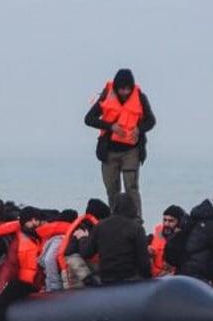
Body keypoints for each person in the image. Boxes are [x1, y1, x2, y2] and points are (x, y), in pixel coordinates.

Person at [84, 68, 156, 220]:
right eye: (121, 88)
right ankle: (115, 220)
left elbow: (151, 121)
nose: (124, 92)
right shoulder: (106, 96)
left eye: (128, 89)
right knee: (112, 189)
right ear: (116, 87)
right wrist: (110, 126)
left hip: (132, 151)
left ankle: (137, 221)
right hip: (109, 151)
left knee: (131, 187)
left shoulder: (141, 98)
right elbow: (89, 119)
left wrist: (139, 129)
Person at [0, 206, 44, 321]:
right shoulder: (18, 241)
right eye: (33, 220)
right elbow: (10, 267)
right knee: (13, 286)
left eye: (37, 220)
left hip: (39, 283)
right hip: (28, 283)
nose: (36, 223)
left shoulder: (40, 238)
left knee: (13, 287)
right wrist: (0, 289)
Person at [77, 193, 151, 285]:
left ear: (114, 207)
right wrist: (149, 280)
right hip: (130, 279)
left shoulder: (101, 226)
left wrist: (82, 238)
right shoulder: (136, 229)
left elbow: (86, 252)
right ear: (133, 209)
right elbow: (144, 263)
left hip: (106, 278)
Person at [58, 199, 111, 288]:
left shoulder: (91, 230)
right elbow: (70, 256)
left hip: (85, 277)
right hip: (76, 280)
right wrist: (87, 277)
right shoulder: (80, 230)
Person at [38, 209, 78, 291]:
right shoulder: (60, 237)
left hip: (48, 282)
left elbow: (42, 260)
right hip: (56, 286)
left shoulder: (51, 236)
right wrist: (54, 286)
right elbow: (49, 260)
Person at [148, 205, 185, 277]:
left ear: (179, 222)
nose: (166, 224)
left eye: (171, 221)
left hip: (175, 278)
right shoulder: (157, 233)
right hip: (155, 276)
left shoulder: (184, 238)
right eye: (165, 220)